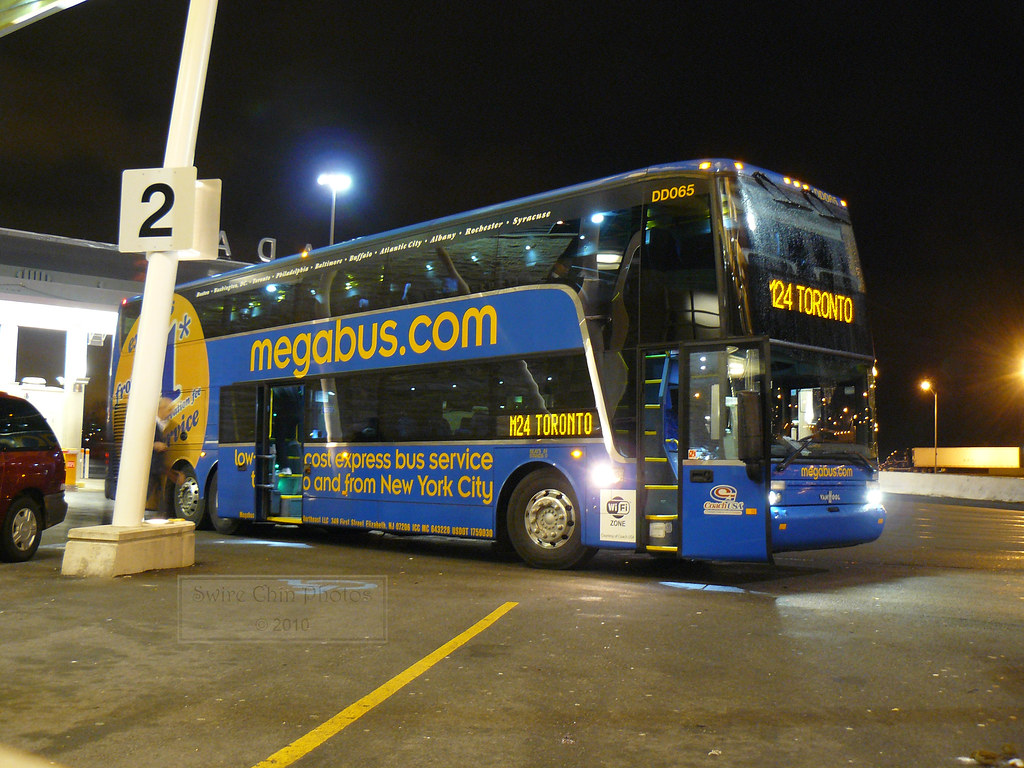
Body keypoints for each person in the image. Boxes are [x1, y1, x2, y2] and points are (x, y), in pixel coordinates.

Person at [148, 397, 174, 513]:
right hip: (149, 467)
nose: (170, 413)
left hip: (156, 468)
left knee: (158, 493)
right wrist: (154, 445)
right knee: (146, 492)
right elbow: (138, 441)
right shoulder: (150, 424)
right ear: (161, 409)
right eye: (168, 410)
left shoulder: (163, 425)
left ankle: (161, 516)